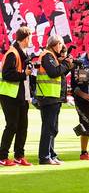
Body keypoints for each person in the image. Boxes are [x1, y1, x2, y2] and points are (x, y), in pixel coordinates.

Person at [33, 34, 71, 165]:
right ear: (56, 44)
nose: (61, 48)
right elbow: (54, 72)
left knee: (52, 128)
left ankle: (51, 154)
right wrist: (66, 63)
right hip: (48, 96)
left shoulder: (51, 56)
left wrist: (66, 66)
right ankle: (44, 156)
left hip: (53, 96)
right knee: (48, 128)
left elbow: (58, 74)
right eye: (60, 44)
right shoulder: (47, 56)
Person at [0, 26, 33, 166]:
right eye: (30, 38)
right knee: (12, 126)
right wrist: (24, 74)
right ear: (25, 39)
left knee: (22, 127)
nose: (31, 40)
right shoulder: (13, 53)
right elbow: (7, 74)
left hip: (20, 95)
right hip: (9, 95)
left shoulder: (21, 53)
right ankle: (2, 157)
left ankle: (19, 156)